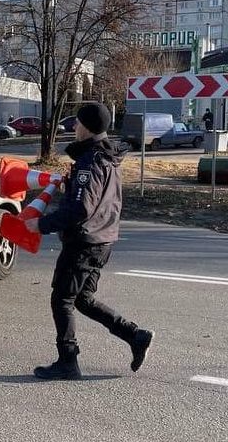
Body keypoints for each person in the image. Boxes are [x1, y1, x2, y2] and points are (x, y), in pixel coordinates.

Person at [24, 103, 154, 380]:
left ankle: (67, 360)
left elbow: (81, 209)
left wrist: (42, 224)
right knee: (82, 299)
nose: (74, 127)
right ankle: (135, 335)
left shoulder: (91, 161)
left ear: (87, 126)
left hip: (85, 241)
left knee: (62, 299)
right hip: (103, 239)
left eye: (78, 123)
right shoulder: (108, 157)